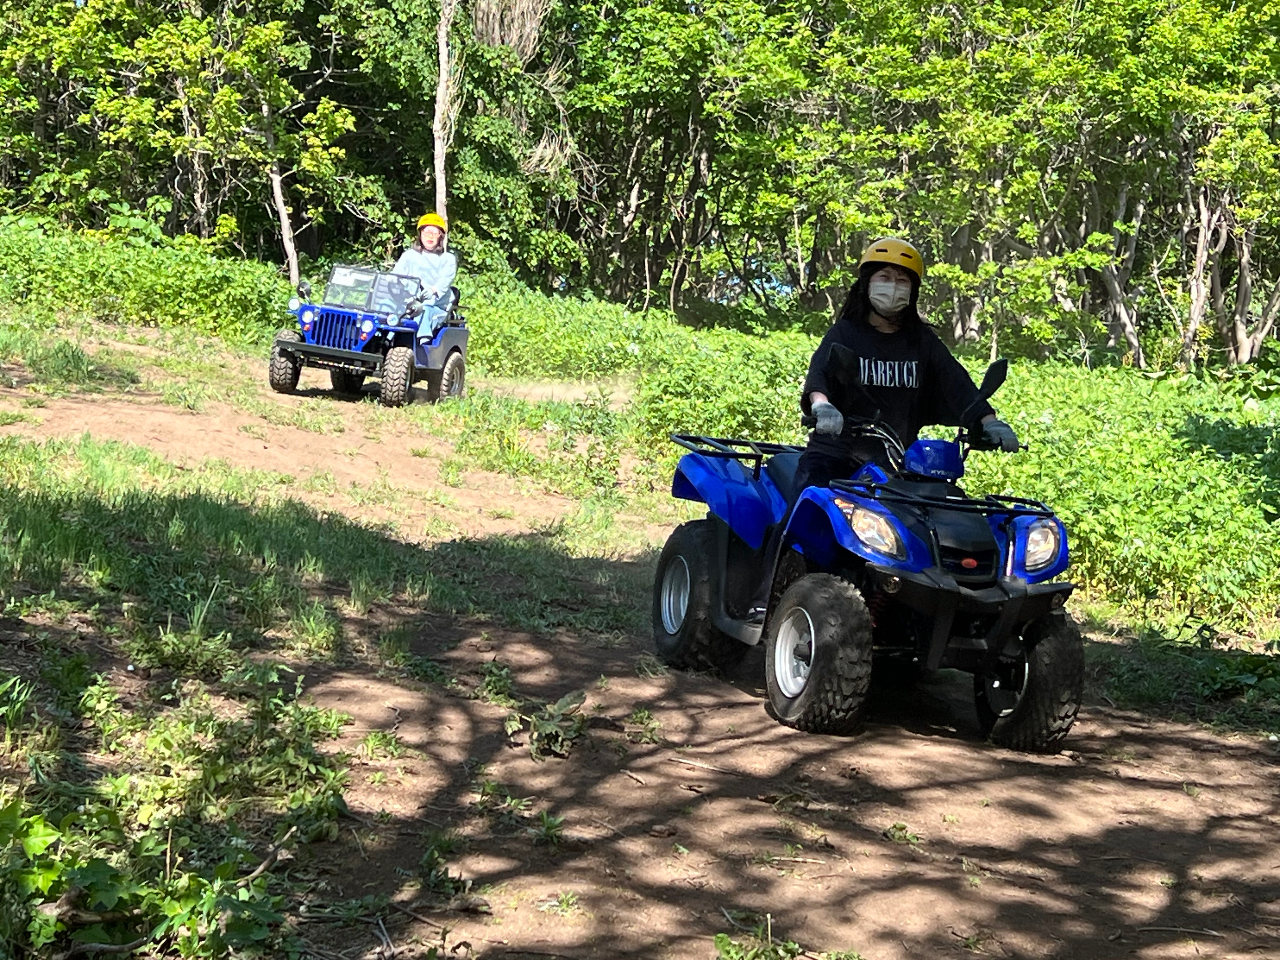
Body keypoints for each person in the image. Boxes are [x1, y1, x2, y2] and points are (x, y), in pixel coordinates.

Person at [749, 237, 1019, 620]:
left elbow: (957, 385)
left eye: (902, 280)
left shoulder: (921, 343)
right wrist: (823, 406)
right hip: (834, 457)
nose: (893, 287)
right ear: (867, 283)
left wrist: (990, 422)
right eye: (885, 277)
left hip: (894, 466)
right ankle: (761, 603)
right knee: (795, 521)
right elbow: (820, 376)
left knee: (924, 537)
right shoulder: (846, 334)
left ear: (913, 290)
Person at [391, 212, 458, 342]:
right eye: (427, 232)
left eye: (435, 233)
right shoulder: (409, 255)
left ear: (441, 236)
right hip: (407, 303)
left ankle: (422, 344)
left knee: (424, 310)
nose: (430, 236)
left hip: (435, 305)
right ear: (420, 234)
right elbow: (395, 276)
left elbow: (445, 280)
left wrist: (433, 290)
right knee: (384, 306)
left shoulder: (448, 259)